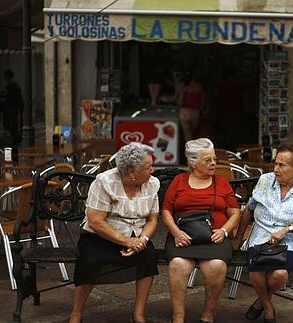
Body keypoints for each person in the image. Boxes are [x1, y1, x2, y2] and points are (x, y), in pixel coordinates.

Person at [69, 142, 160, 323]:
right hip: (100, 236)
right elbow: (96, 221)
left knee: (148, 255)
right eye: (148, 167)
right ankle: (76, 313)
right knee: (90, 259)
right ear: (132, 172)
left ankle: (138, 314)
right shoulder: (105, 182)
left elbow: (152, 220)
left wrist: (142, 240)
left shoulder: (152, 184)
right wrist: (126, 241)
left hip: (136, 236)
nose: (153, 170)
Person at [233, 145, 293, 323]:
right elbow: (249, 210)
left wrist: (288, 229)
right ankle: (268, 308)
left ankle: (260, 302)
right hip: (261, 236)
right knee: (256, 272)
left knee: (279, 274)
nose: (276, 169)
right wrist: (239, 237)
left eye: (282, 165)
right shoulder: (265, 180)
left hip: (291, 241)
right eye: (275, 163)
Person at [162, 138, 241, 323]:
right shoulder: (179, 181)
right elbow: (166, 211)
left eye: (214, 159)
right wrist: (176, 233)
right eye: (207, 160)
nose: (213, 163)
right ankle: (178, 317)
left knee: (216, 266)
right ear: (193, 163)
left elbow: (235, 212)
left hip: (214, 238)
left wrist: (224, 230)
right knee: (178, 265)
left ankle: (208, 314)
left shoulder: (221, 182)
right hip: (183, 237)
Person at [177, 72, 204, 142]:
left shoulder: (183, 88)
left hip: (185, 112)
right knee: (193, 134)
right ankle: (192, 150)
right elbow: (202, 102)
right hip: (195, 112)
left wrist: (175, 100)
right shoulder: (200, 87)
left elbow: (180, 102)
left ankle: (188, 151)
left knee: (187, 135)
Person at [2, 69, 23, 144]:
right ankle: (16, 137)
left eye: (5, 76)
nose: (4, 77)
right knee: (14, 123)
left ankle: (16, 137)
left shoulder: (10, 85)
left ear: (8, 76)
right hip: (16, 107)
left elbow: (5, 94)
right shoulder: (16, 84)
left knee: (7, 123)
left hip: (10, 107)